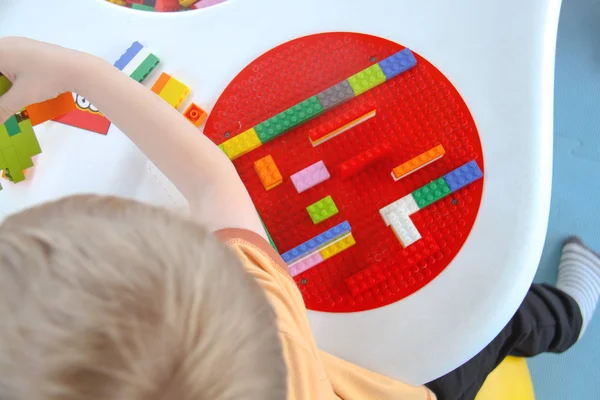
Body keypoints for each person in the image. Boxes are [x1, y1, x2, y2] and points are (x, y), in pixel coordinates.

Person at [0, 37, 598, 400]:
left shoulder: (222, 315)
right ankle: (567, 317)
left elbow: (211, 186)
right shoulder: (251, 313)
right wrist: (85, 74)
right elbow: (213, 184)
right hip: (401, 388)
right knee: (495, 325)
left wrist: (85, 74)